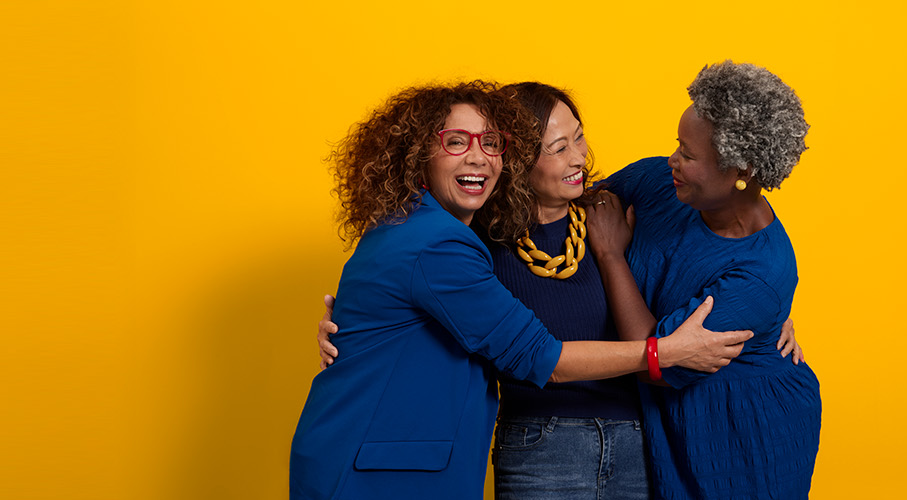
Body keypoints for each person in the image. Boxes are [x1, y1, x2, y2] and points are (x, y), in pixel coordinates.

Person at [314, 82, 809, 500]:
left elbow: (733, 259)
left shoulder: (602, 213)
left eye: (579, 139)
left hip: (641, 440)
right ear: (519, 159)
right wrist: (355, 325)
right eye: (557, 148)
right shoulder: (469, 236)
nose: (579, 159)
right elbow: (413, 283)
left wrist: (769, 316)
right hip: (540, 448)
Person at [583, 61, 822, 499]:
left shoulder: (762, 272)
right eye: (678, 144)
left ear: (743, 171)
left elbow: (656, 362)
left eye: (689, 156)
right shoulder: (659, 183)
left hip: (743, 434)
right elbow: (577, 203)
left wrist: (612, 255)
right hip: (672, 417)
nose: (673, 160)